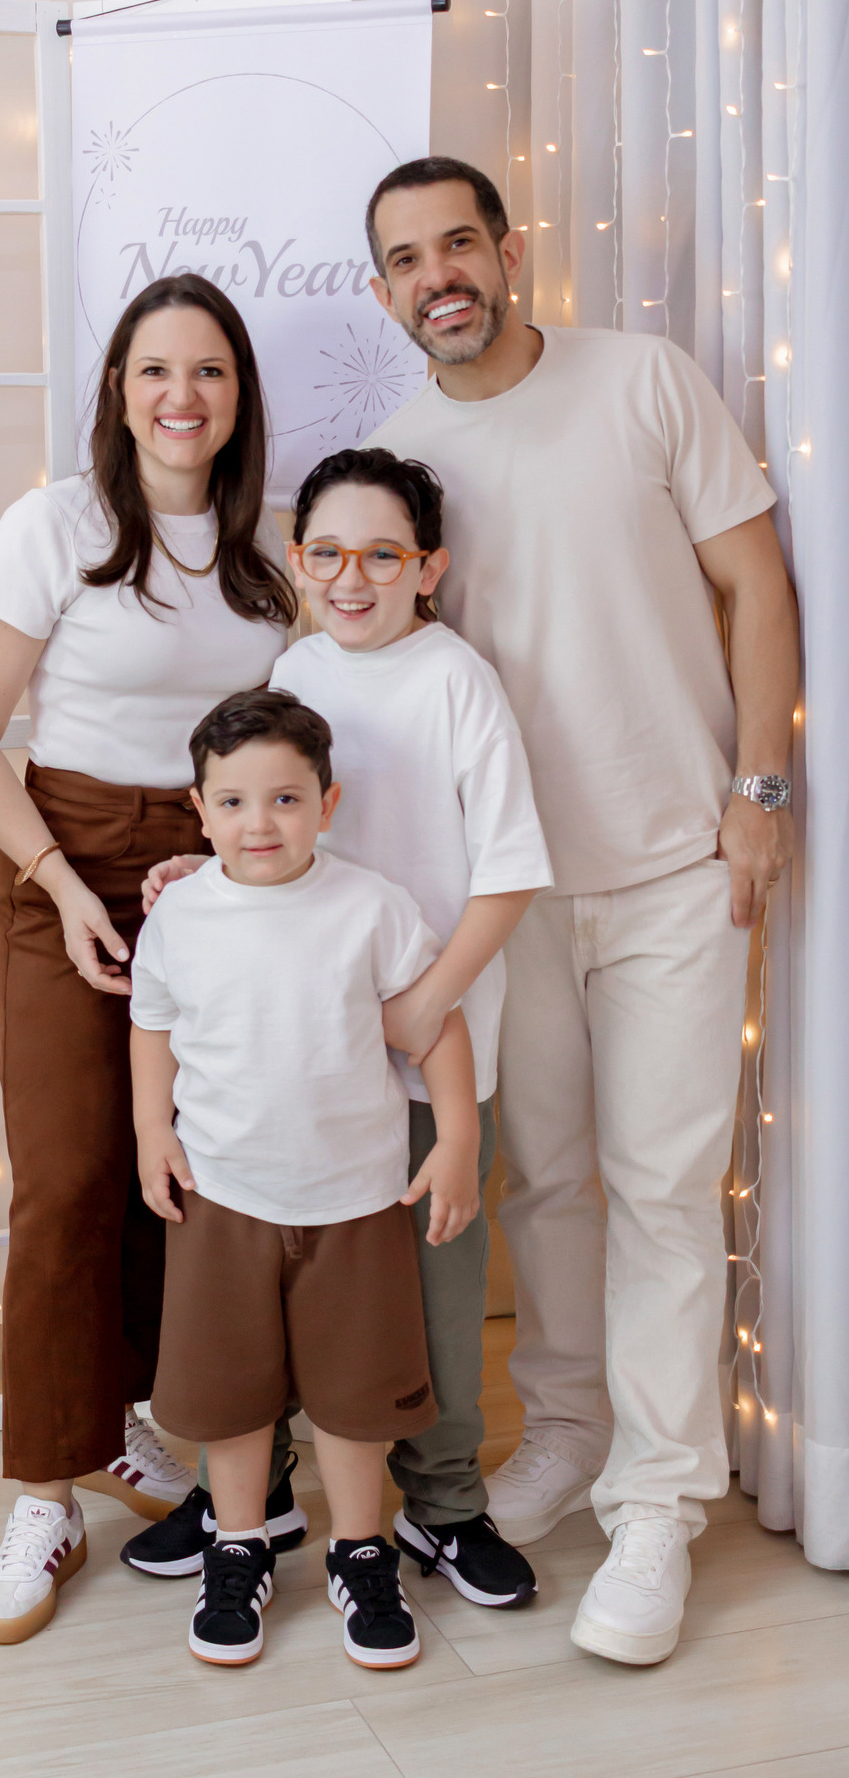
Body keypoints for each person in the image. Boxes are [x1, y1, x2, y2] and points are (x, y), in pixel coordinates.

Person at [361, 155, 799, 1665]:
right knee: (545, 1181)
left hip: (679, 858)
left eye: (457, 244)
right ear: (383, 291)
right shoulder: (401, 457)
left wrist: (760, 789)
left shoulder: (642, 381)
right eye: (406, 259)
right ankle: (564, 1429)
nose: (438, 276)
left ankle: (661, 1503)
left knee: (664, 1188)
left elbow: (757, 586)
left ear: (507, 249)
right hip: (513, 888)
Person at [124, 446, 553, 1612]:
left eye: (380, 555)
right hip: (296, 1055)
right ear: (299, 560)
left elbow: (509, 870)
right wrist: (206, 873)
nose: (351, 578)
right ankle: (248, 1503)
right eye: (327, 554)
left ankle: (440, 1508)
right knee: (262, 1284)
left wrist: (426, 1003)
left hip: (421, 1049)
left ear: (426, 568)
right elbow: (277, 806)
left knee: (424, 1303)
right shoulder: (299, 663)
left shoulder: (455, 680)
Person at [0, 273, 296, 1646]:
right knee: (69, 1176)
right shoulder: (58, 525)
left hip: (214, 875)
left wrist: (230, 862)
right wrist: (56, 883)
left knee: (185, 1174)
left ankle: (131, 1419)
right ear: (117, 391)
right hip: (62, 862)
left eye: (208, 371)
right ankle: (45, 1492)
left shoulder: (272, 549)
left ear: (239, 394)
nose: (181, 397)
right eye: (155, 370)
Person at [131, 687, 483, 1667]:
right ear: (199, 811)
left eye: (285, 799)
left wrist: (455, 1135)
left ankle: (359, 1550)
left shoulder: (371, 907)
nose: (260, 823)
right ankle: (237, 1545)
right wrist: (149, 1129)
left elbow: (435, 1025)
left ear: (327, 805)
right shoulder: (180, 916)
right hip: (222, 1197)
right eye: (233, 802)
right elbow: (152, 1023)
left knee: (356, 1397)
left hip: (355, 1202)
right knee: (232, 1393)